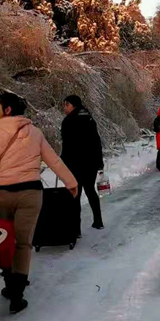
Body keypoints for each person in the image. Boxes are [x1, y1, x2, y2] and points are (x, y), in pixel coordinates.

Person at [0, 92, 77, 314]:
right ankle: (17, 294)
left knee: (2, 242)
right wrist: (71, 182)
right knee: (23, 243)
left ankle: (9, 285)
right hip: (31, 194)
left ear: (8, 110)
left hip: (3, 196)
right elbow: (54, 160)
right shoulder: (35, 132)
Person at [61, 95, 105, 233]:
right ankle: (98, 221)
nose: (64, 108)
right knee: (90, 190)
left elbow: (67, 145)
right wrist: (99, 161)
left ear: (72, 105)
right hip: (91, 162)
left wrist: (63, 162)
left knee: (76, 193)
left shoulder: (68, 121)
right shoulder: (89, 118)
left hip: (75, 163)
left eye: (66, 105)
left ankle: (76, 228)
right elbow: (96, 141)